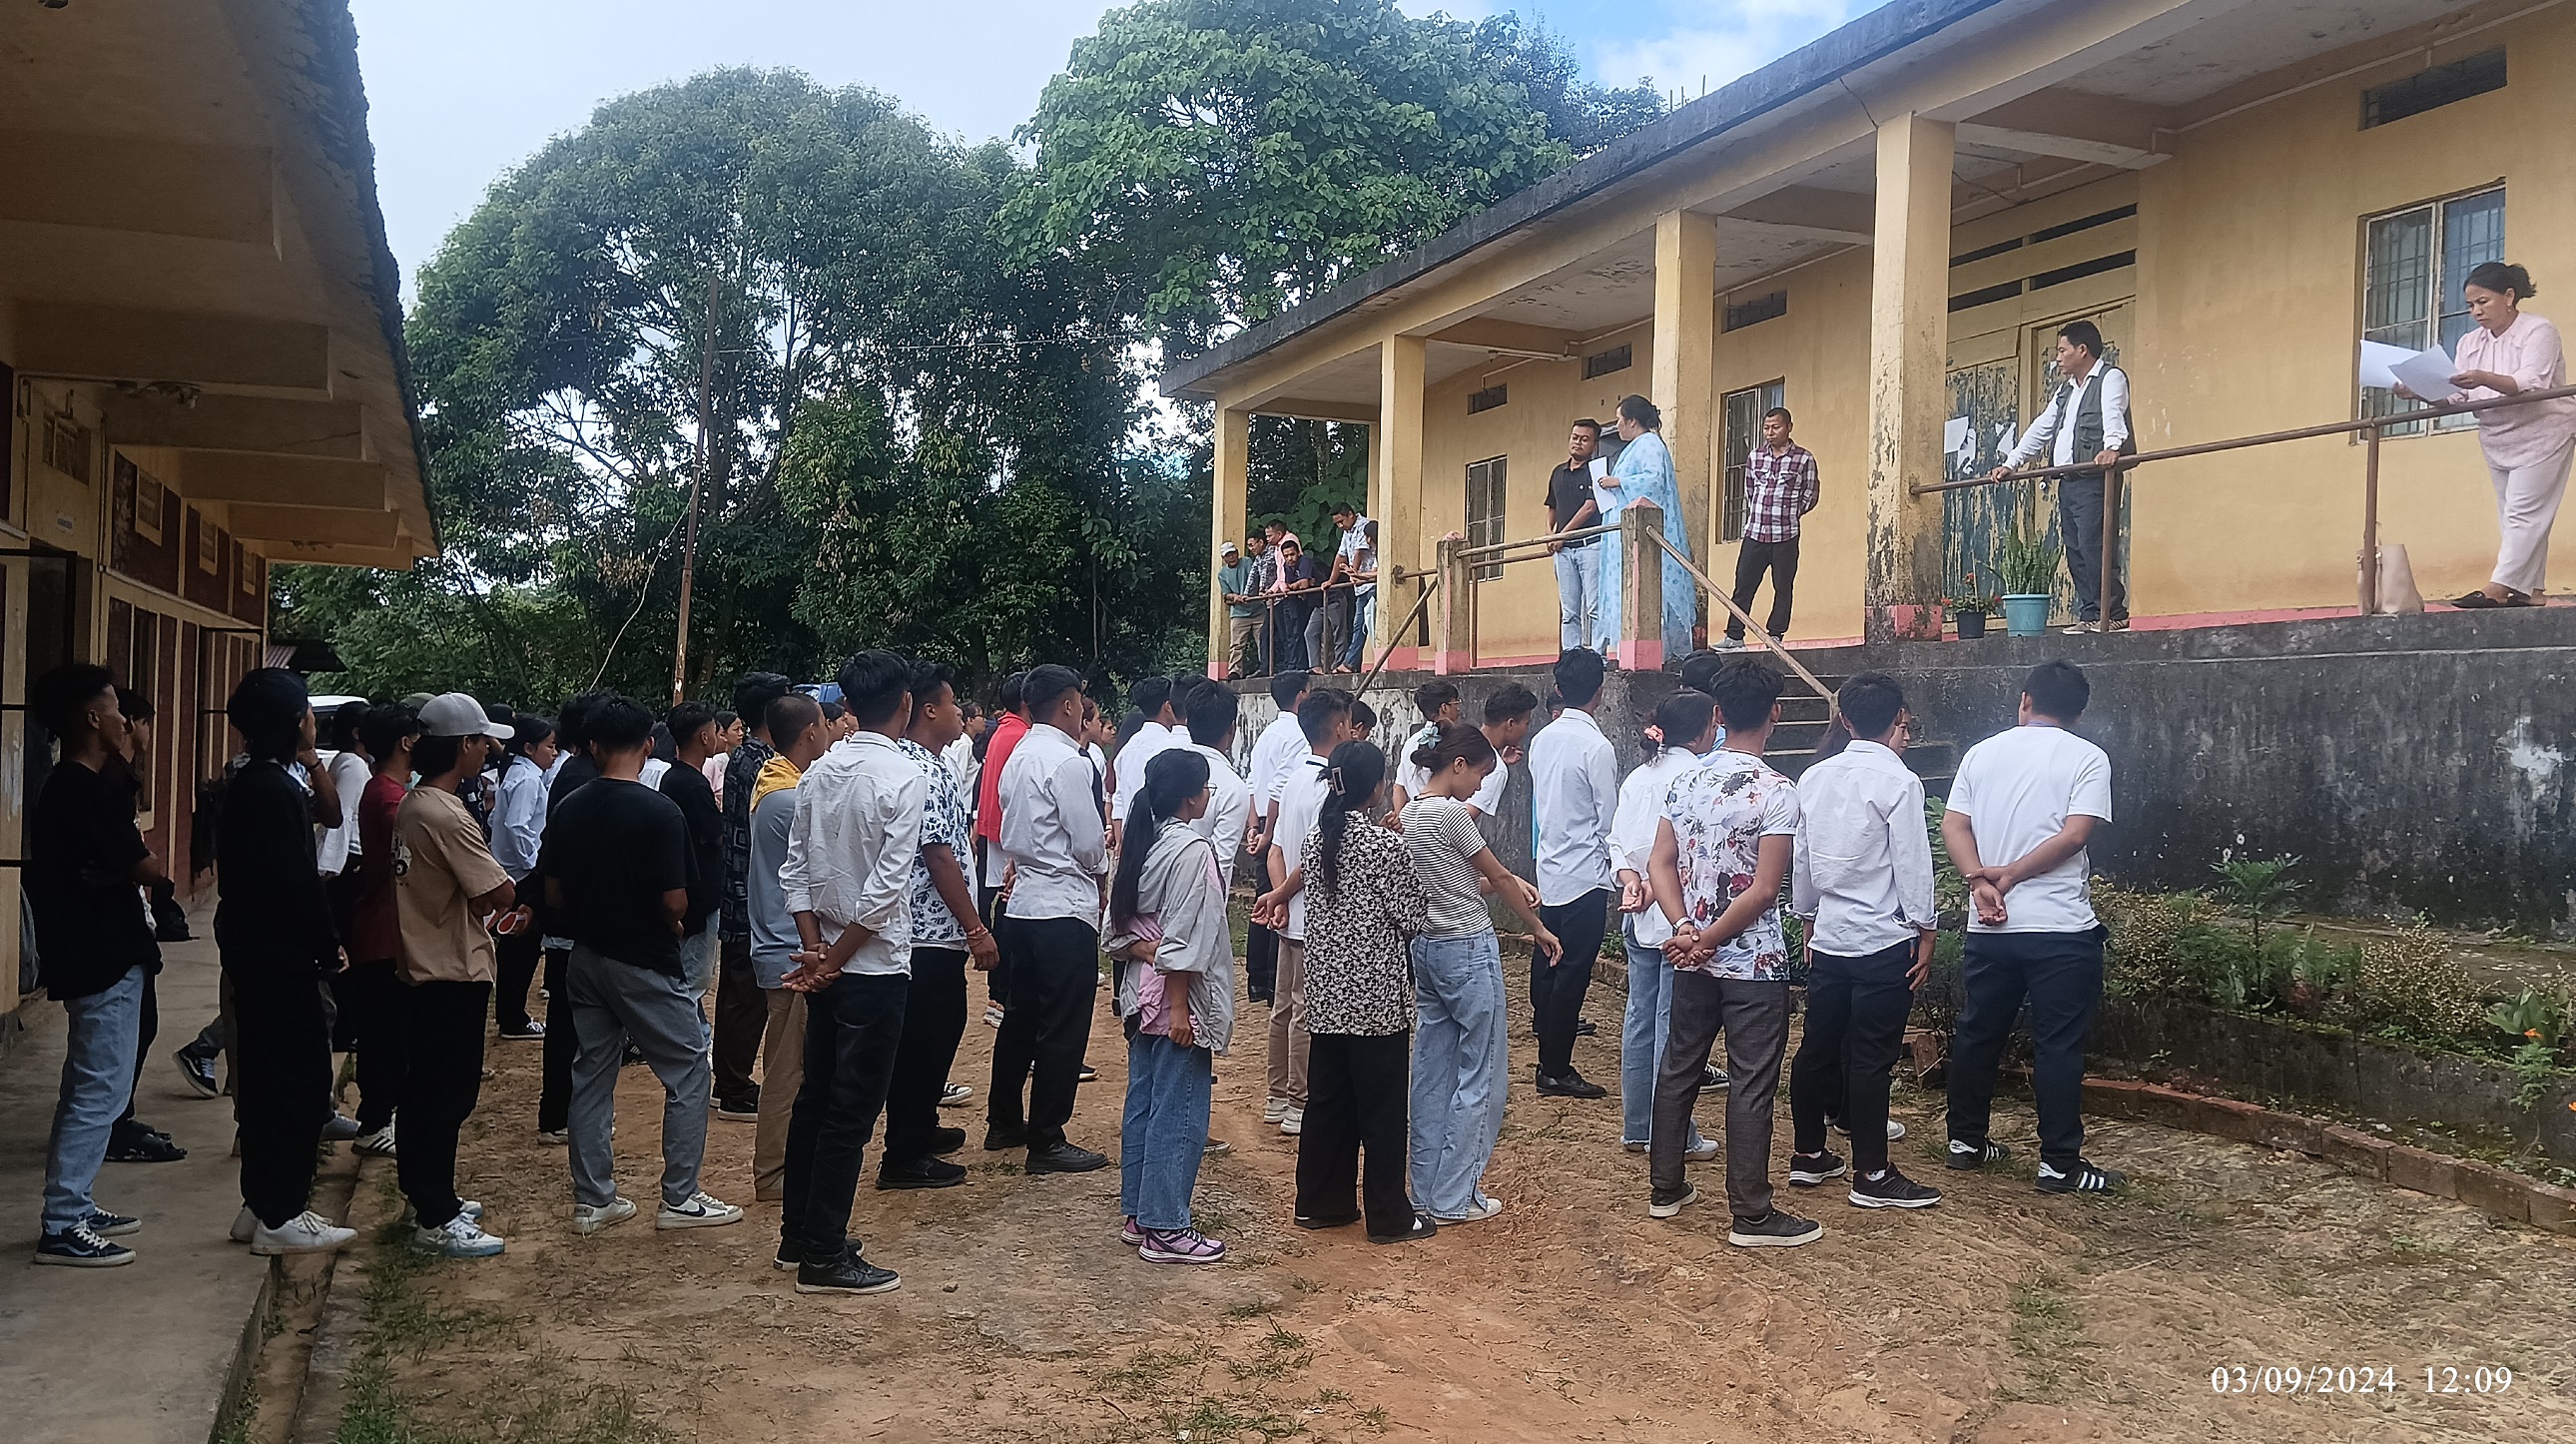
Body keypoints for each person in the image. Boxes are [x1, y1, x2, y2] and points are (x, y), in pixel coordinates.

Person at [542, 693, 744, 1235]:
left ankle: (594, 1200)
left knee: (591, 1072)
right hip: (644, 958)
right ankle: (680, 1197)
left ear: (592, 745)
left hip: (585, 956)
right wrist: (666, 921)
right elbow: (675, 901)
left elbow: (553, 891)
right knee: (689, 1070)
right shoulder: (658, 811)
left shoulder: (569, 805)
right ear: (648, 745)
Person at [1643, 658, 1818, 1247]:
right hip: (1753, 961)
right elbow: (1765, 889)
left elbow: (1660, 862)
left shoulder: (1684, 781)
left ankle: (1666, 1186)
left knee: (1679, 1066)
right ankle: (1751, 1213)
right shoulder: (1777, 791)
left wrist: (1686, 929)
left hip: (1692, 953)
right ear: (1776, 713)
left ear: (1717, 713)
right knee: (1751, 1081)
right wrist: (1710, 938)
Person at [776, 651, 925, 1295]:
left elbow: (797, 871)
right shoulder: (904, 775)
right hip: (870, 966)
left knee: (816, 1100)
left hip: (830, 961)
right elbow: (885, 891)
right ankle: (823, 1255)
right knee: (849, 1113)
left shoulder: (819, 770)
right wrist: (830, 962)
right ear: (905, 704)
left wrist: (816, 952)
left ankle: (801, 1234)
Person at [1941, 660, 2120, 1194]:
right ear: (2078, 714)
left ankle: (1965, 1141)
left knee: (1978, 1032)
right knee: (2058, 1045)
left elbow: (1954, 824)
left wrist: (1980, 880)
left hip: (1990, 925)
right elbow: (2075, 835)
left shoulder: (1981, 753)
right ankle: (2058, 1164)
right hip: (2060, 927)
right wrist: (2013, 874)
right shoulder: (2087, 757)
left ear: (2025, 701)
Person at [217, 669, 361, 1257]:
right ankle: (281, 1212)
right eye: (306, 712)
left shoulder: (257, 781)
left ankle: (260, 1203)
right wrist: (327, 945)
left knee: (265, 1078)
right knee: (297, 1084)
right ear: (293, 722)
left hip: (257, 952)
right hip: (281, 957)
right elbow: (297, 883)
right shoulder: (273, 791)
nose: (312, 722)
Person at [1786, 673, 1943, 1209]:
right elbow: (1912, 863)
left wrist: (1807, 917)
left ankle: (1809, 1153)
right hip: (1882, 938)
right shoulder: (1899, 781)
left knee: (1817, 1047)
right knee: (1872, 1058)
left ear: (1845, 719)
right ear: (1897, 718)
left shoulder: (1814, 777)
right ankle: (1872, 1173)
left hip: (1830, 935)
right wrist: (1927, 928)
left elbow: (1802, 857)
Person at [1400, 722, 1561, 1224]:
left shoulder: (1409, 815)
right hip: (1467, 946)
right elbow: (1496, 873)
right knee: (1482, 1071)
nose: (1478, 787)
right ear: (1458, 765)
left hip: (1428, 946)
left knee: (1432, 1070)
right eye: (1479, 776)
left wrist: (1509, 885)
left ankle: (1425, 1189)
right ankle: (1456, 1195)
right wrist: (1536, 926)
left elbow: (1460, 879)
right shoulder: (1450, 814)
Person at [28, 666, 160, 1266]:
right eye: (114, 709)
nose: (124, 721)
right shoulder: (80, 789)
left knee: (90, 1086)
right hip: (100, 958)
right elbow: (147, 867)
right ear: (90, 718)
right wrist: (135, 869)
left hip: (101, 954)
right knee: (98, 1090)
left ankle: (75, 1203)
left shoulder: (80, 785)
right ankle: (62, 1221)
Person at [1292, 741, 1436, 1243]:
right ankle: (1389, 1215)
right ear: (1376, 788)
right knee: (1382, 1110)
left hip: (1327, 992)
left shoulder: (1317, 840)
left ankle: (1321, 1201)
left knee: (1328, 1102)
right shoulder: (1384, 846)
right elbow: (1412, 916)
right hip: (1375, 999)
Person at [391, 694, 518, 1258]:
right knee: (445, 1096)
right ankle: (435, 1214)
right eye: (482, 741)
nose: (488, 750)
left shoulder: (417, 803)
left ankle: (427, 1195)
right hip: (448, 968)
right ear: (463, 744)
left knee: (429, 1092)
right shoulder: (445, 813)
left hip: (427, 964)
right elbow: (499, 891)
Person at [1104, 747, 1233, 1263]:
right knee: (1178, 1113)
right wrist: (1181, 1010)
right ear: (1190, 797)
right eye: (1205, 788)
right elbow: (1185, 938)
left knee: (1145, 1103)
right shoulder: (1191, 851)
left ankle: (1140, 1213)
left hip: (1141, 994)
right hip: (1174, 1003)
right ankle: (1166, 1226)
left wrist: (1146, 951)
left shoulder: (1141, 841)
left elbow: (1119, 930)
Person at [986, 664, 1112, 1172]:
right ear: (1068, 704)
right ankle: (1047, 1138)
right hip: (1062, 905)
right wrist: (1101, 869)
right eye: (1080, 701)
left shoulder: (1019, 754)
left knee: (1021, 1017)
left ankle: (1004, 1120)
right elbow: (1088, 843)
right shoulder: (1067, 761)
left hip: (1023, 905)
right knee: (1063, 1024)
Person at [880, 661, 997, 1190]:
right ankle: (904, 1153)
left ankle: (921, 1126)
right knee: (925, 1039)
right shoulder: (920, 771)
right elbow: (938, 854)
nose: (960, 713)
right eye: (952, 703)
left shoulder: (932, 764)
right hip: (926, 932)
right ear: (928, 710)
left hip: (935, 930)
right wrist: (976, 927)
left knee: (942, 1029)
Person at [2422, 262, 2575, 608]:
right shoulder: (2469, 342)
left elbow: (2530, 381)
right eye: (2470, 305)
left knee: (2524, 513)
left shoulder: (2538, 330)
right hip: (2498, 436)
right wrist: (2419, 391)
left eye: (2483, 302)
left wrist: (2483, 378)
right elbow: (2456, 397)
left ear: (2509, 296)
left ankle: (2499, 586)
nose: (2476, 311)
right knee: (2514, 516)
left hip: (2545, 432)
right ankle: (2531, 590)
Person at [1612, 689, 1721, 1157]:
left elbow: (1618, 841)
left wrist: (1632, 883)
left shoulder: (1639, 776)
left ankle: (1639, 1125)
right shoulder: (1697, 777)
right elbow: (1684, 853)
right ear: (1703, 729)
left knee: (1640, 1018)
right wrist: (1652, 888)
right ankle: (1672, 1133)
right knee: (1669, 1026)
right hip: (1679, 916)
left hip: (1638, 910)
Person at [1250, 691, 1361, 1136]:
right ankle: (1298, 1099)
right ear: (1340, 727)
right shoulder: (1327, 788)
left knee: (1284, 1007)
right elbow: (1316, 856)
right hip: (1314, 913)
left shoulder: (1294, 779)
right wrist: (1282, 895)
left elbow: (1276, 848)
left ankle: (1277, 1094)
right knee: (1302, 1010)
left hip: (1292, 912)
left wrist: (1279, 896)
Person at [1991, 320, 2132, 633]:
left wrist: (2112, 447)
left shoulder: (2110, 378)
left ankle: (2113, 613)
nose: (2058, 357)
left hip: (2096, 478)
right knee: (2076, 549)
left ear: (2082, 350)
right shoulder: (2066, 390)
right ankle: (2091, 613)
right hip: (2068, 481)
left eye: (2062, 350)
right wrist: (2012, 462)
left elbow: (2113, 413)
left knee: (2095, 545)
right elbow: (2042, 427)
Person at [748, 693, 830, 1202]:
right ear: (809, 733)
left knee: (794, 1063)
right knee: (786, 1070)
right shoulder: (790, 798)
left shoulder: (775, 785)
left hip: (780, 944)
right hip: (790, 950)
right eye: (825, 724)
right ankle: (774, 1172)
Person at [1527, 649, 1618, 1099]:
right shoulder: (1596, 747)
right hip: (1585, 872)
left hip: (1551, 864)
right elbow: (1607, 819)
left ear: (1559, 689)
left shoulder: (1543, 739)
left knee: (1549, 962)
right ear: (1599, 692)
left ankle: (1549, 1055)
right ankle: (1555, 1067)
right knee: (1572, 972)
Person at [717, 674, 793, 1122]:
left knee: (739, 990)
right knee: (745, 996)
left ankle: (730, 1079)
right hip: (750, 894)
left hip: (742, 889)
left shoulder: (747, 757)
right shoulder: (762, 765)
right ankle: (733, 1085)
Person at [342, 704, 417, 1159]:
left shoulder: (387, 790)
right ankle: (374, 1122)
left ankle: (378, 1116)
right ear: (406, 742)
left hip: (383, 927)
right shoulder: (390, 799)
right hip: (384, 932)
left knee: (389, 1033)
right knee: (387, 1035)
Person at [1595, 394, 1697, 660]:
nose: (1617, 426)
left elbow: (1654, 481)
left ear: (1632, 421)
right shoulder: (1633, 447)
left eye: (1619, 420)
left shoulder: (1649, 444)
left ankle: (1657, 652)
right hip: (1624, 533)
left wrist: (1619, 482)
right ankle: (1626, 649)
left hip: (1643, 532)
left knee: (1649, 592)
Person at [1243, 669, 1313, 1004]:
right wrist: (1268, 833)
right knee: (1278, 900)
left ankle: (1259, 977)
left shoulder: (1267, 733)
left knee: (1265, 897)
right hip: (1278, 825)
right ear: (1301, 695)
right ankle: (1272, 980)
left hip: (1262, 822)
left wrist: (1253, 827)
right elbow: (1276, 788)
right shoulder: (1298, 734)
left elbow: (1253, 782)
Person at [662, 702, 727, 1058]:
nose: (718, 738)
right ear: (704, 737)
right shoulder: (692, 784)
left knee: (689, 973)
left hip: (688, 886)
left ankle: (698, 1036)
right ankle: (689, 1044)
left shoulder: (675, 778)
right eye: (716, 732)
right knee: (694, 977)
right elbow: (716, 834)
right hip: (698, 892)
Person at [1726, 407, 1820, 647]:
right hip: (1755, 533)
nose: (1770, 432)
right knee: (1743, 586)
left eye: (1775, 427)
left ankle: (1775, 635)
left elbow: (1810, 494)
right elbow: (1750, 491)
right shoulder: (1755, 456)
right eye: (1766, 428)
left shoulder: (1804, 459)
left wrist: (1791, 512)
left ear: (1789, 427)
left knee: (1783, 587)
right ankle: (1734, 636)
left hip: (1786, 535)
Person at [490, 714, 556, 1040]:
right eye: (550, 746)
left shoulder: (517, 773)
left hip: (511, 869)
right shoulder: (528, 779)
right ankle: (513, 1018)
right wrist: (533, 865)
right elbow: (517, 825)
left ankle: (510, 1012)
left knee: (515, 947)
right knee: (522, 948)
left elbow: (498, 819)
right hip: (522, 873)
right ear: (529, 748)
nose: (554, 753)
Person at [1547, 419, 1607, 650]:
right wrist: (1549, 533)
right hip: (1563, 552)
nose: (1578, 443)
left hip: (1590, 546)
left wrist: (1561, 535)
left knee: (1594, 607)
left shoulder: (1597, 471)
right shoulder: (1557, 472)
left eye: (1584, 439)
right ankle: (1571, 655)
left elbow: (1590, 507)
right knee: (1569, 611)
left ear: (1595, 444)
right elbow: (1552, 507)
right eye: (1574, 437)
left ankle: (1598, 656)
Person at [1109, 675, 1183, 842]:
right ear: (1167, 707)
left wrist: (1121, 843)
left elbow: (1118, 801)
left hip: (1132, 840)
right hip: (1158, 840)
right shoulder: (1167, 748)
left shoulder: (1126, 750)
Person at [1385, 679, 1460, 818]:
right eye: (1456, 703)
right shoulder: (1456, 742)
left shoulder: (1410, 743)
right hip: (1447, 817)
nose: (1459, 709)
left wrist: (1401, 820)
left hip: (1414, 819)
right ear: (1444, 707)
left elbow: (1399, 787)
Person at [1323, 502, 1372, 673]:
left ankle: (1350, 663)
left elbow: (1359, 552)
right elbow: (1340, 556)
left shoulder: (1364, 525)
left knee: (1365, 624)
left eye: (1341, 521)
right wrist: (1331, 581)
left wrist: (1353, 573)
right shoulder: (1347, 531)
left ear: (1350, 515)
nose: (1339, 526)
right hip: (1361, 586)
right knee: (1360, 625)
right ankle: (1350, 663)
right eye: (1336, 523)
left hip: (1370, 582)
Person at [1336, 519, 1381, 673]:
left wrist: (1358, 575)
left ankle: (1353, 662)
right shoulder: (1378, 552)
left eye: (1368, 537)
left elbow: (1378, 573)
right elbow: (1373, 572)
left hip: (1373, 590)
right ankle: (1350, 662)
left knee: (1369, 625)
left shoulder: (1382, 550)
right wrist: (1355, 575)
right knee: (1361, 626)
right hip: (1365, 588)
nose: (1367, 541)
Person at [1271, 536, 1320, 672]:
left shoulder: (1305, 561)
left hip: (1323, 601)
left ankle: (1301, 665)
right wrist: (1296, 586)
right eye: (1286, 556)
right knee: (1291, 635)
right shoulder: (1287, 566)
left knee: (1301, 633)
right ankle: (1293, 665)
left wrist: (1294, 586)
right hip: (1299, 601)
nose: (1289, 559)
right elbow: (1294, 585)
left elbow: (1303, 585)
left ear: (1299, 553)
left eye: (1292, 554)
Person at [1219, 539, 1264, 679]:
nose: (1231, 557)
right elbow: (1226, 595)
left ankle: (1266, 667)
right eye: (1228, 555)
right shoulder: (1222, 573)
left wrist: (1248, 595)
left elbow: (1255, 579)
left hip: (1258, 609)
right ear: (1224, 558)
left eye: (1233, 553)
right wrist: (1235, 597)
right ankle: (1235, 671)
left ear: (1237, 553)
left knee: (1263, 641)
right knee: (1236, 644)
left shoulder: (1247, 562)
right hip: (1238, 613)